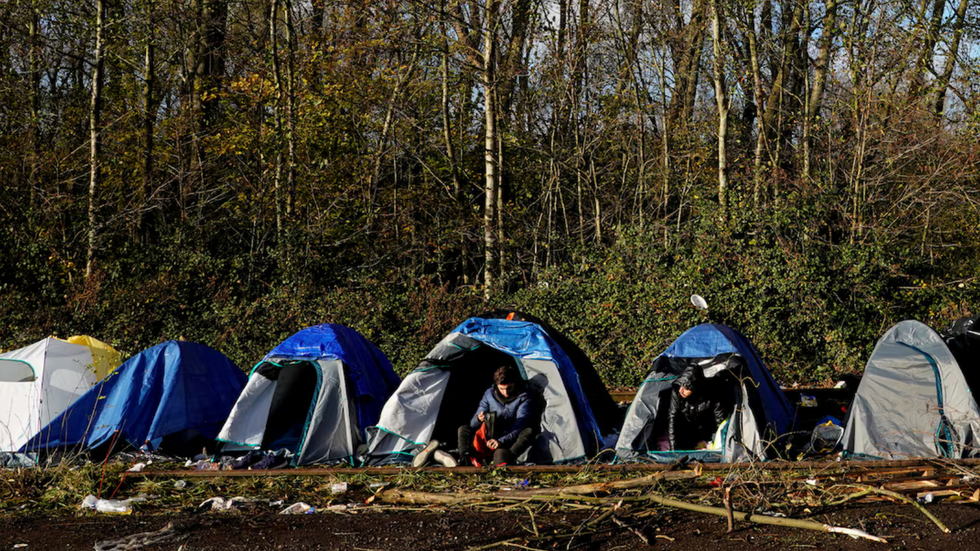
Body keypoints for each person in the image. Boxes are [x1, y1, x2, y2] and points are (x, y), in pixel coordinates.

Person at [457, 364, 539, 466]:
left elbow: (520, 424)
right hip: (489, 436)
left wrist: (501, 441)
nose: (506, 393)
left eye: (509, 388)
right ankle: (465, 459)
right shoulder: (489, 394)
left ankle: (509, 457)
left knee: (528, 431)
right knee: (463, 429)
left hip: (508, 440)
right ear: (496, 385)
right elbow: (473, 424)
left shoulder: (524, 396)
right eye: (502, 389)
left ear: (515, 383)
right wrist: (479, 419)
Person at [667, 364, 733, 451]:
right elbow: (672, 418)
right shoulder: (677, 393)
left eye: (686, 388)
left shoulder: (713, 395)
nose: (681, 390)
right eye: (680, 386)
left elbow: (720, 422)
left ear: (695, 388)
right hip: (686, 430)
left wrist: (717, 445)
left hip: (707, 430)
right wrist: (673, 449)